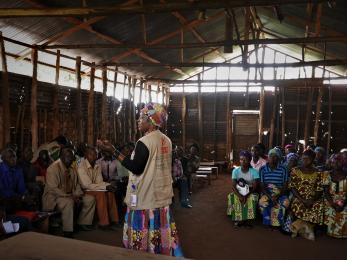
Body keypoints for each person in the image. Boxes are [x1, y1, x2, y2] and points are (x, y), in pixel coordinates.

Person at [113, 102, 183, 257]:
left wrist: (113, 151)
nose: (138, 120)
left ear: (151, 121)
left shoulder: (144, 142)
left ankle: (143, 255)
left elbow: (136, 168)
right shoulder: (167, 140)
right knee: (158, 231)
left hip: (146, 199)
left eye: (141, 117)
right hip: (162, 196)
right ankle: (159, 252)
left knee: (142, 236)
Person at [42, 147, 96, 238]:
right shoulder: (53, 168)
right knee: (69, 202)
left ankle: (82, 222)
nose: (70, 158)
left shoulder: (72, 168)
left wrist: (78, 195)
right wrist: (70, 196)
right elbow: (54, 189)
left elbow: (77, 185)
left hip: (70, 195)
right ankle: (67, 231)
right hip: (54, 198)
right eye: (67, 156)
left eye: (71, 156)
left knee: (90, 199)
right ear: (61, 157)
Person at [78, 146, 119, 230]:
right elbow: (86, 185)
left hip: (93, 188)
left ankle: (114, 220)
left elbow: (99, 182)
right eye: (91, 154)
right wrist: (105, 186)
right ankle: (104, 223)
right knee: (101, 193)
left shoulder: (97, 165)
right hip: (83, 190)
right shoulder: (81, 166)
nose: (94, 157)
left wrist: (108, 186)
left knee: (110, 192)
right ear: (86, 155)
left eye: (95, 154)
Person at [289, 149, 325, 239]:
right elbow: (292, 187)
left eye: (307, 159)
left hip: (313, 198)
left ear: (313, 159)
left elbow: (319, 189)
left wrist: (312, 200)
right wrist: (303, 200)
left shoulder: (318, 172)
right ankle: (304, 228)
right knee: (297, 204)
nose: (304, 161)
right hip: (298, 196)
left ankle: (306, 227)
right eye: (303, 159)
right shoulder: (295, 170)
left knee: (318, 205)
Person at [0, 148, 32, 232]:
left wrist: (26, 195)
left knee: (29, 201)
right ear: (3, 159)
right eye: (10, 157)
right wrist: (21, 197)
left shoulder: (18, 170)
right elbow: (3, 191)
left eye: (14, 156)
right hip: (4, 200)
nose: (13, 159)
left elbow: (22, 188)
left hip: (13, 199)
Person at [227, 151, 259, 228]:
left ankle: (247, 220)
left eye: (245, 160)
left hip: (251, 191)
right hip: (239, 190)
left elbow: (255, 187)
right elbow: (233, 186)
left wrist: (247, 195)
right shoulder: (235, 171)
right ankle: (238, 219)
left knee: (252, 198)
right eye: (241, 159)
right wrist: (240, 195)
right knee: (232, 196)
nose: (243, 161)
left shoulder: (254, 172)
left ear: (249, 160)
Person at [259, 148, 289, 227]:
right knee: (263, 202)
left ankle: (278, 223)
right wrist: (270, 196)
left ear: (278, 158)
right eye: (270, 155)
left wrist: (277, 196)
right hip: (267, 192)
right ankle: (267, 222)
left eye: (275, 156)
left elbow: (285, 186)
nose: (272, 158)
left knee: (285, 202)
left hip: (280, 193)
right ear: (268, 157)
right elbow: (262, 186)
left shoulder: (283, 169)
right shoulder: (262, 169)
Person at [323, 153, 347, 238]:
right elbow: (326, 191)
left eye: (339, 162)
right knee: (330, 209)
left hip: (344, 200)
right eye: (333, 162)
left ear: (344, 163)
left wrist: (343, 204)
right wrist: (332, 204)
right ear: (331, 163)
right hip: (330, 199)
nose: (336, 164)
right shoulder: (327, 174)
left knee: (344, 211)